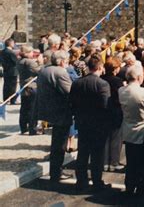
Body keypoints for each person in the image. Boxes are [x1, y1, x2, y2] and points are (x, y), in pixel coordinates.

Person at [70, 54, 111, 192]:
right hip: (98, 124)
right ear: (99, 67)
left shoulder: (77, 82)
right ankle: (97, 181)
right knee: (97, 155)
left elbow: (72, 103)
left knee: (82, 153)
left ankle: (81, 181)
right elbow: (106, 106)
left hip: (82, 122)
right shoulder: (102, 84)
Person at [36, 50, 73, 189]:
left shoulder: (44, 70)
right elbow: (69, 91)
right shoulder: (61, 72)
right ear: (62, 61)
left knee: (56, 143)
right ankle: (56, 172)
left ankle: (55, 171)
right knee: (60, 145)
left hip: (49, 110)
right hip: (61, 112)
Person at [119, 65, 144, 196]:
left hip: (128, 128)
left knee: (131, 161)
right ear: (139, 77)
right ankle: (141, 187)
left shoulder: (121, 90)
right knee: (142, 161)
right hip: (142, 129)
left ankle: (129, 186)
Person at [101, 57, 124, 172]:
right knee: (116, 137)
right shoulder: (118, 81)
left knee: (105, 138)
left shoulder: (101, 79)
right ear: (115, 69)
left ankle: (104, 162)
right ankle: (114, 162)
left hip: (103, 111)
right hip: (115, 110)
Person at [16, 45, 42, 134]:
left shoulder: (20, 61)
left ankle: (23, 127)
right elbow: (39, 71)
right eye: (31, 52)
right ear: (27, 53)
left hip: (24, 87)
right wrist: (40, 62)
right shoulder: (30, 62)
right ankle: (32, 129)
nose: (33, 54)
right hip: (31, 87)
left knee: (24, 108)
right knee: (32, 109)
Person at [0, 38, 18, 103]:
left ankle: (6, 99)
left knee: (6, 86)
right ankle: (12, 100)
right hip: (13, 71)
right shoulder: (11, 52)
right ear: (10, 44)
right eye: (13, 43)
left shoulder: (2, 52)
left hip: (6, 71)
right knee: (13, 87)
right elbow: (15, 62)